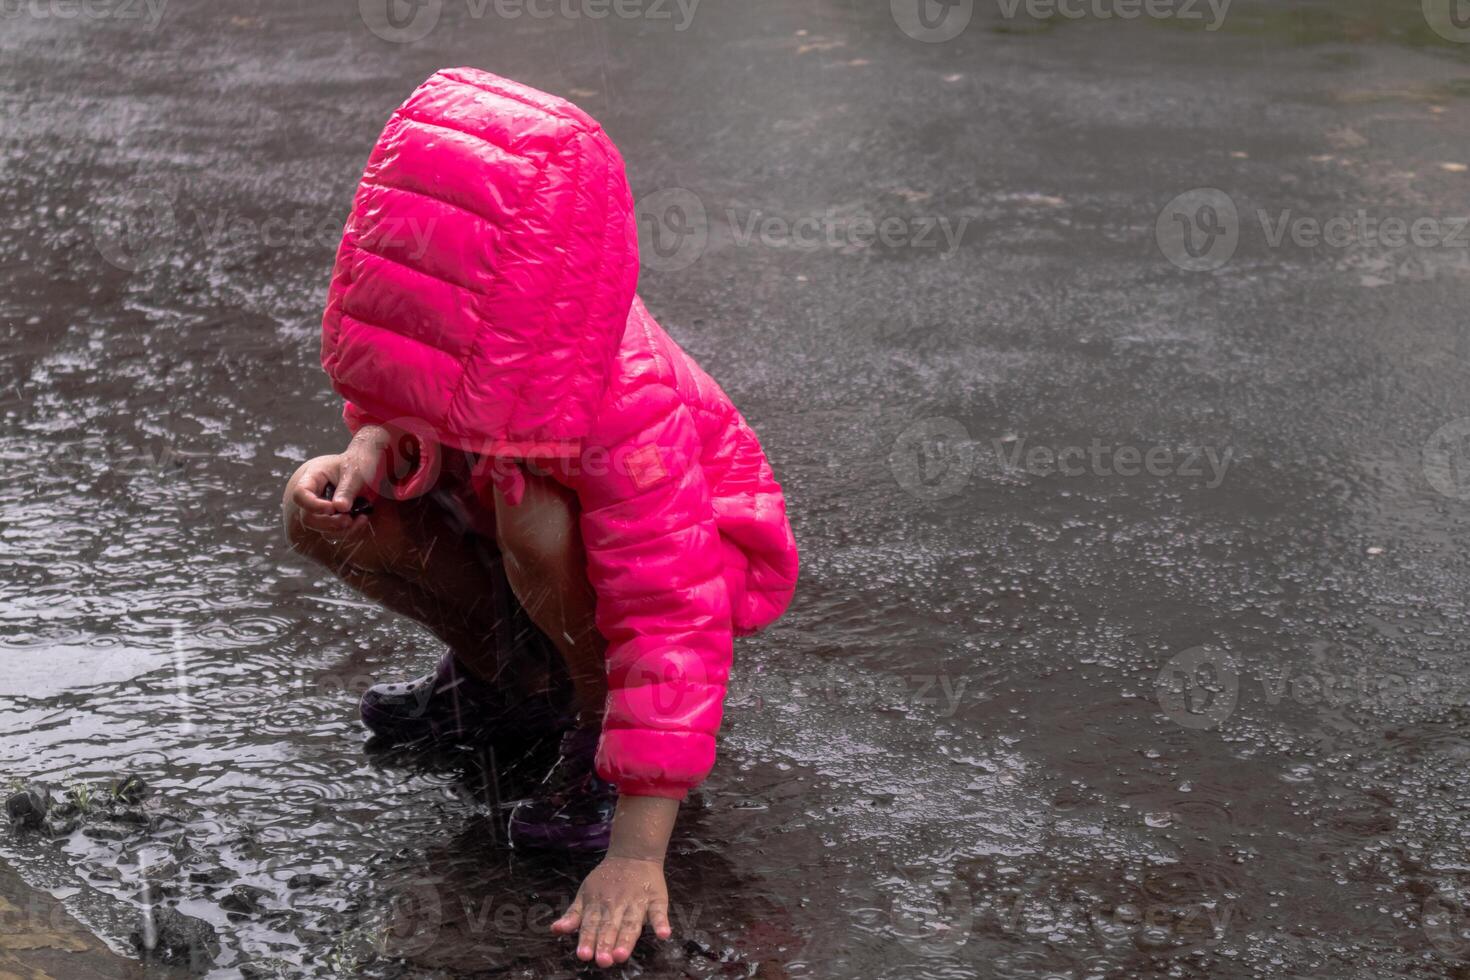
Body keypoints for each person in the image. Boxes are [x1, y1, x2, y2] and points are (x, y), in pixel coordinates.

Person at [280, 67, 799, 969]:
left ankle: (591, 725)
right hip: (533, 533)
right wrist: (370, 444)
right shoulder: (467, 333)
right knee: (323, 509)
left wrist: (637, 852)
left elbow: (671, 617)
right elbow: (417, 374)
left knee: (536, 517)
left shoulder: (627, 405)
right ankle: (503, 687)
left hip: (686, 571)